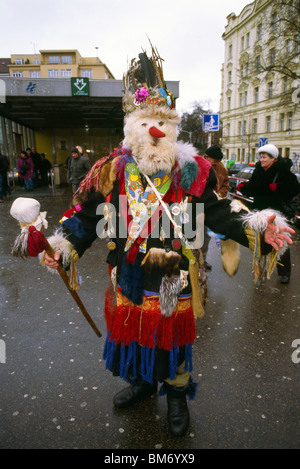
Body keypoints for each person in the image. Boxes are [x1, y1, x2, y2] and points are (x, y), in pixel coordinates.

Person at [42, 46, 294, 437]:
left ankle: (176, 395)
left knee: (173, 339)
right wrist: (63, 247)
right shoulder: (113, 171)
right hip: (126, 274)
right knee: (135, 335)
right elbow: (89, 217)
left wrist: (257, 227)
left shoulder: (192, 172)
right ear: (132, 128)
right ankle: (143, 383)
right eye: (146, 123)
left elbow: (219, 213)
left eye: (163, 122)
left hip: (174, 275)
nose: (156, 130)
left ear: (173, 129)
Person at [237, 143, 299, 284]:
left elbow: (294, 188)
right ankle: (261, 270)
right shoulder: (259, 170)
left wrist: (279, 188)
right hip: (260, 211)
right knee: (259, 240)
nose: (262, 159)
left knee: (280, 242)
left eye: (264, 157)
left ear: (273, 159)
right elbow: (254, 188)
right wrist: (244, 187)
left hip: (277, 214)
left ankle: (285, 273)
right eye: (260, 157)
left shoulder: (283, 171)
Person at [202, 145, 229, 269]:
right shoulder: (198, 166)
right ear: (207, 157)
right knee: (194, 234)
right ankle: (193, 260)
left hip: (212, 207)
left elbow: (225, 185)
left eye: (219, 161)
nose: (217, 164)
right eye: (215, 161)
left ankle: (202, 260)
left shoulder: (222, 169)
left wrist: (219, 195)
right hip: (198, 206)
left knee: (207, 236)